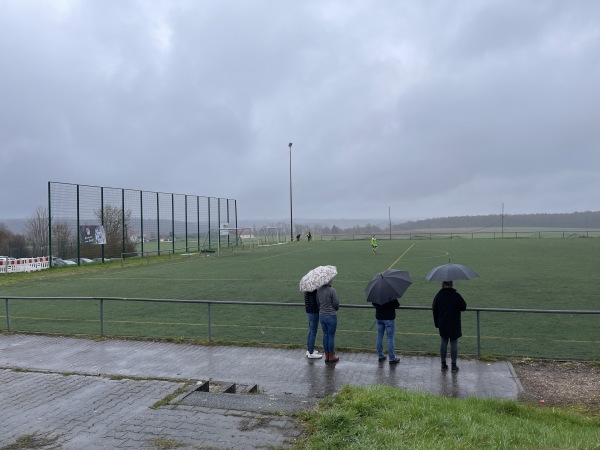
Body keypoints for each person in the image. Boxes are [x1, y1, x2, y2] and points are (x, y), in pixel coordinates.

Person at [432, 281, 467, 372]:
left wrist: (437, 323)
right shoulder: (456, 295)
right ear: (451, 285)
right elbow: (463, 306)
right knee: (454, 342)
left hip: (443, 323)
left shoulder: (439, 296)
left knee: (444, 341)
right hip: (454, 323)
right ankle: (454, 365)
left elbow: (434, 309)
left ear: (442, 285)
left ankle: (443, 364)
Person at [317, 281, 340, 363]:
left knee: (325, 335)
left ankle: (327, 356)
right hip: (331, 315)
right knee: (331, 336)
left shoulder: (319, 291)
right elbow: (336, 303)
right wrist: (334, 309)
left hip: (322, 315)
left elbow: (318, 303)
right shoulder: (332, 290)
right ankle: (331, 356)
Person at [372, 299, 400, 364]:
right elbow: (397, 305)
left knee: (379, 337)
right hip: (389, 318)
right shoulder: (391, 295)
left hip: (379, 317)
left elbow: (374, 303)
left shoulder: (377, 294)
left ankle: (380, 356)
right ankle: (392, 358)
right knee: (390, 338)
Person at [304, 289, 322, 359]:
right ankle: (311, 352)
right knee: (313, 332)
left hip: (309, 311)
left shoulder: (306, 290)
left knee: (311, 331)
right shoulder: (312, 291)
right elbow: (314, 303)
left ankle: (309, 350)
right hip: (313, 312)